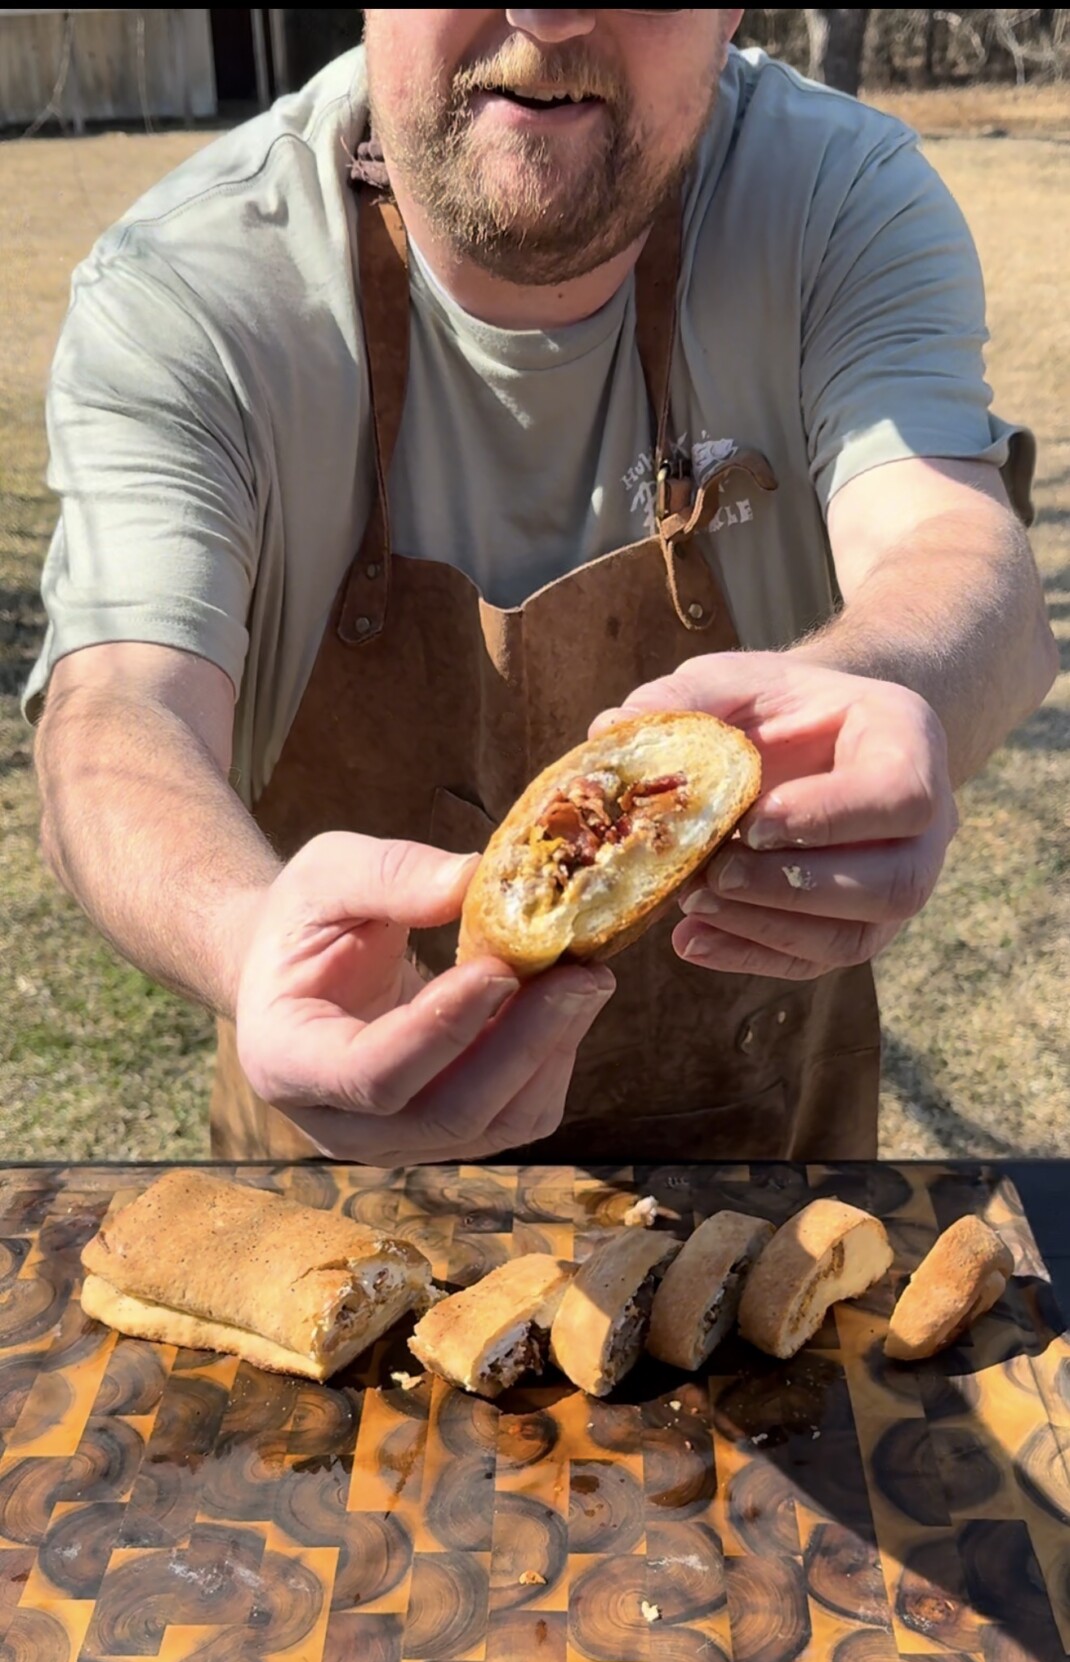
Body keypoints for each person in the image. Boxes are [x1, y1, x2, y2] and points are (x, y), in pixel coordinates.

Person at [26, 9, 1055, 1168]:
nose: (549, 14)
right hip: (332, 1199)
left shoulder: (839, 200)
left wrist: (871, 683)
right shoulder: (186, 284)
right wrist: (249, 937)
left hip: (768, 1188)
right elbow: (118, 717)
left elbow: (959, 559)